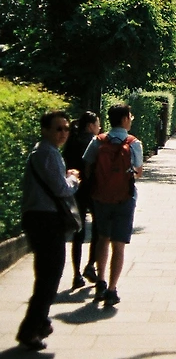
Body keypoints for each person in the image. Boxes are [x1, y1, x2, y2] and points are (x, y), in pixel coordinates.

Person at [16, 110, 79, 350]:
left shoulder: (45, 151)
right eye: (58, 129)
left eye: (66, 129)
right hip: (46, 219)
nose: (63, 133)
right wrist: (73, 179)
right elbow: (62, 189)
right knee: (49, 276)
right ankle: (32, 328)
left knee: (47, 274)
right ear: (45, 130)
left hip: (39, 217)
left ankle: (39, 323)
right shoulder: (47, 153)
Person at [82, 103, 143, 306]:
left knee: (102, 238)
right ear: (125, 119)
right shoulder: (133, 143)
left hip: (101, 197)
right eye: (130, 116)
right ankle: (112, 288)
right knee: (119, 245)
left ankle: (100, 281)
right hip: (125, 198)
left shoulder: (98, 141)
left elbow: (87, 165)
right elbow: (138, 171)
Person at [64, 111, 101, 291]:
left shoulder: (71, 140)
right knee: (97, 229)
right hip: (93, 189)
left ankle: (76, 274)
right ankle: (91, 265)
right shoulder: (94, 142)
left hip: (76, 189)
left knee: (78, 233)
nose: (99, 127)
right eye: (98, 124)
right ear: (90, 125)